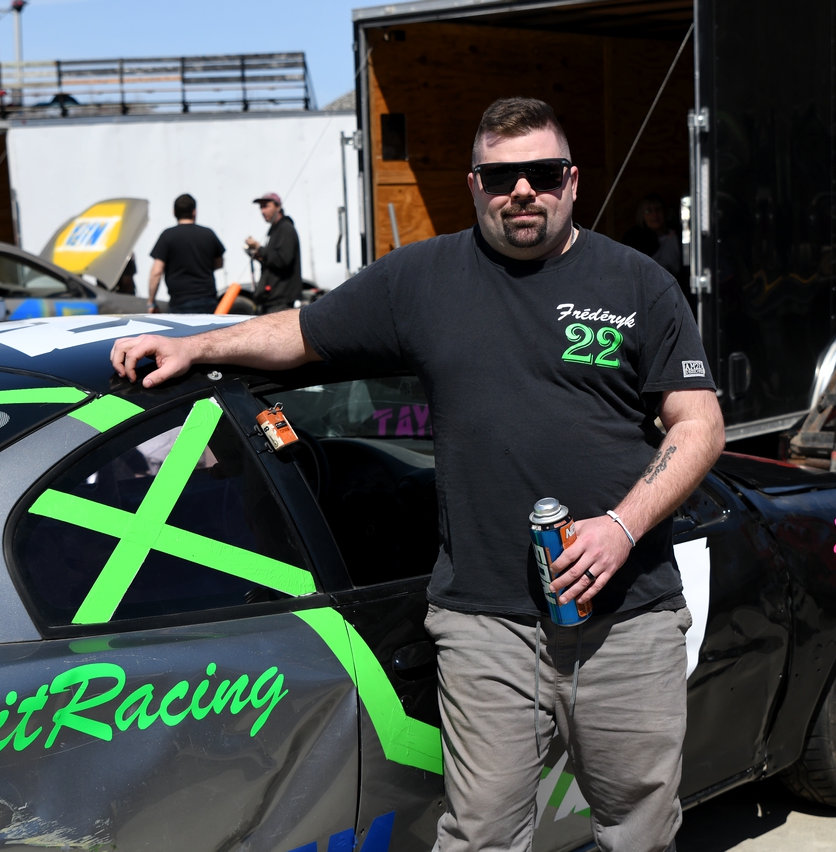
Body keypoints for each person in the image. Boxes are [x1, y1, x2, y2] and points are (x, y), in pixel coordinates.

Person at [111, 96, 725, 852]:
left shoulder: (637, 284)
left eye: (542, 173)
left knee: (639, 831)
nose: (522, 191)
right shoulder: (423, 279)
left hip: (626, 617)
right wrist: (196, 347)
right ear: (473, 185)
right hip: (485, 625)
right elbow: (302, 332)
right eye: (500, 178)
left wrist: (621, 528)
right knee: (481, 835)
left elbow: (699, 426)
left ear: (572, 180)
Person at [147, 194, 226, 314]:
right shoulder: (208, 234)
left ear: (174, 212)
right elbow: (219, 263)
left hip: (179, 302)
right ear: (194, 212)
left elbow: (156, 272)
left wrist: (151, 301)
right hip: (208, 301)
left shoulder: (167, 235)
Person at [245, 192, 303, 313]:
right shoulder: (275, 230)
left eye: (266, 206)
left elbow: (283, 260)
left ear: (278, 207)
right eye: (261, 207)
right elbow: (274, 260)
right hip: (272, 298)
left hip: (280, 300)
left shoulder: (285, 228)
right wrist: (260, 257)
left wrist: (259, 247)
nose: (263, 211)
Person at [621, 194, 681, 277]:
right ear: (642, 215)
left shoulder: (676, 232)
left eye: (658, 209)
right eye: (648, 211)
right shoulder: (634, 238)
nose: (655, 214)